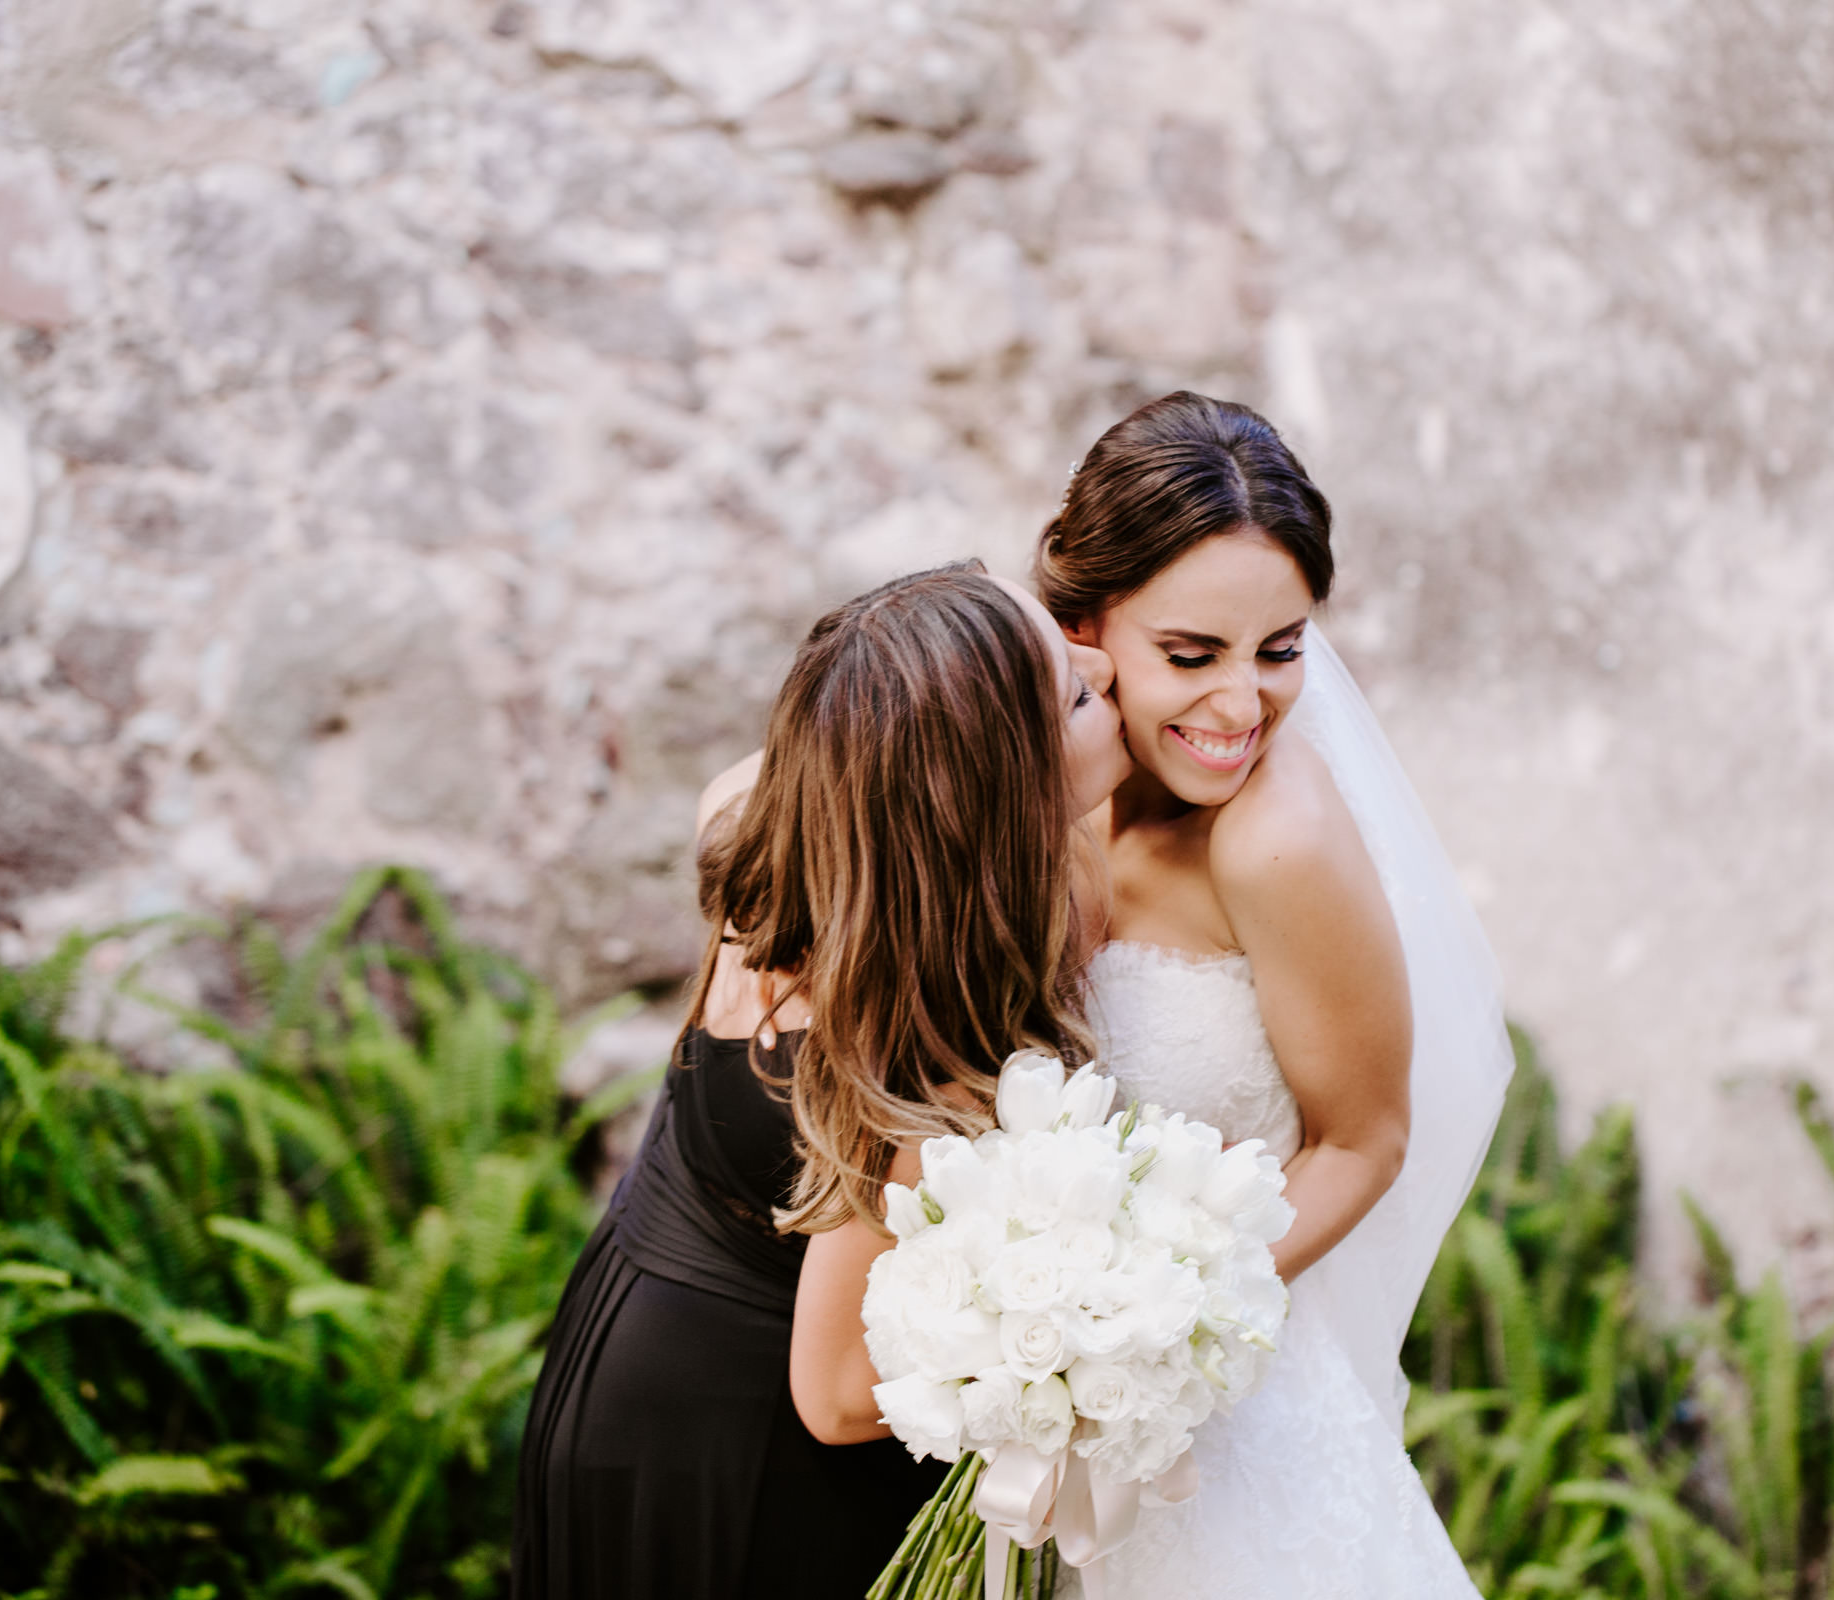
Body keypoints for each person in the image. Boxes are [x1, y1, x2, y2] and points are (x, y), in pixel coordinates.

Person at [510, 562, 1131, 1599]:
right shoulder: (915, 1057)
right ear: (998, 792)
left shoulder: (762, 815)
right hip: (746, 1461)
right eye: (1073, 691)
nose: (1105, 666)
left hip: (622, 1350)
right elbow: (838, 1395)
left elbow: (878, 739)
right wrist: (1075, 1339)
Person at [1036, 392, 1514, 1598]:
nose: (1242, 705)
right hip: (1044, 1418)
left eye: (1282, 649)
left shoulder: (1274, 843)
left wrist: (1155, 1335)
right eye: (1191, 656)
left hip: (1222, 1432)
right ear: (1085, 624)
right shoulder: (1055, 787)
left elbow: (1366, 1138)